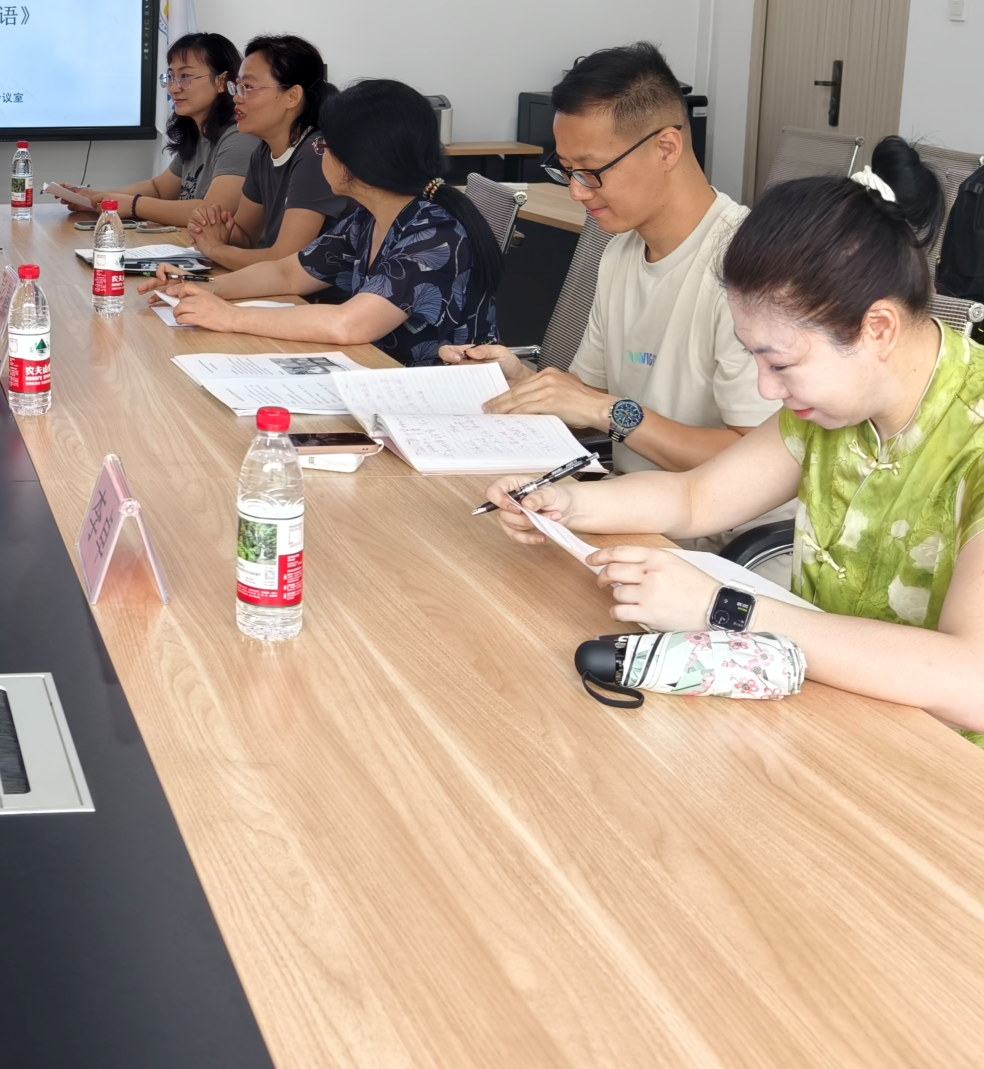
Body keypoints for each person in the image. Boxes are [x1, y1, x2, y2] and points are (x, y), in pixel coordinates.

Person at [485, 137, 984, 742]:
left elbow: (971, 682)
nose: (767, 388)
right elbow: (698, 498)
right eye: (755, 359)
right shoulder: (836, 404)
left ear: (877, 328)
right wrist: (565, 502)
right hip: (835, 713)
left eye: (781, 362)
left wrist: (723, 608)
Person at [441, 44, 773, 473]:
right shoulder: (619, 250)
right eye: (566, 170)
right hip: (624, 497)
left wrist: (607, 411)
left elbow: (757, 462)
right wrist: (524, 381)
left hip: (706, 516)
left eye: (591, 171)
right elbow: (589, 396)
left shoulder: (752, 270)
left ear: (666, 148)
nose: (576, 191)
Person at [144, 77, 501, 365]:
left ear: (358, 159)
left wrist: (230, 317)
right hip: (379, 376)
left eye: (324, 147)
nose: (320, 156)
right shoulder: (368, 219)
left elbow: (350, 324)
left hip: (439, 404)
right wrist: (206, 289)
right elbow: (287, 273)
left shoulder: (434, 234)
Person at [51, 33, 251, 229]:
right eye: (171, 77)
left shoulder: (239, 137)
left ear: (221, 81)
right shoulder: (197, 132)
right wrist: (95, 198)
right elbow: (160, 189)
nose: (173, 88)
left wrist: (133, 205)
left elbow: (211, 212)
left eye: (185, 76)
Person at [183, 35, 347, 272]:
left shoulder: (317, 153)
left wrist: (216, 249)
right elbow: (244, 235)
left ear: (292, 96)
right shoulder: (263, 152)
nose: (236, 98)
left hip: (328, 293)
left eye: (248, 87)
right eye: (237, 87)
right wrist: (210, 229)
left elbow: (285, 260)